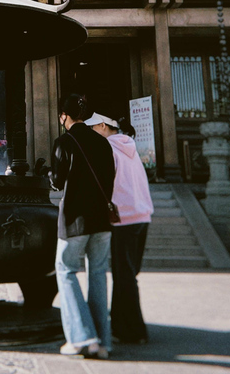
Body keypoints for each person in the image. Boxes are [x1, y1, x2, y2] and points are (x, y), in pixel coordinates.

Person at [49, 94, 115, 359]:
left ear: (64, 116)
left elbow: (57, 181)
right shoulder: (103, 142)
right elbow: (111, 177)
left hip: (76, 218)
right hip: (101, 218)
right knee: (98, 274)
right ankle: (104, 340)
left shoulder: (64, 142)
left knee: (65, 271)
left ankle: (82, 337)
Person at [87, 111, 154, 345]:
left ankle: (133, 330)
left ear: (103, 126)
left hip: (123, 217)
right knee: (127, 274)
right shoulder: (130, 148)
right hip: (142, 215)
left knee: (123, 275)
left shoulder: (107, 149)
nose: (91, 132)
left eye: (93, 127)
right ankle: (122, 325)